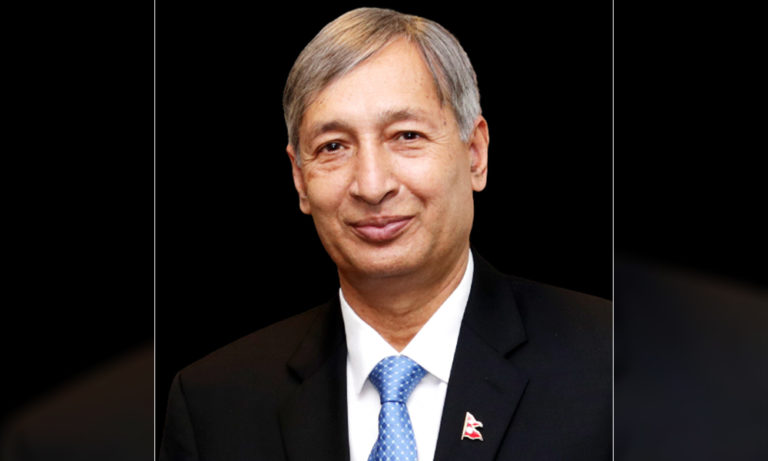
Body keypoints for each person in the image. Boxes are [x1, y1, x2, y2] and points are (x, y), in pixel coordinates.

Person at [160, 7, 611, 461]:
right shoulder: (213, 405)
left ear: (475, 153)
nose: (372, 186)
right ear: (299, 178)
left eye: (406, 136)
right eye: (333, 146)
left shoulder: (614, 365)